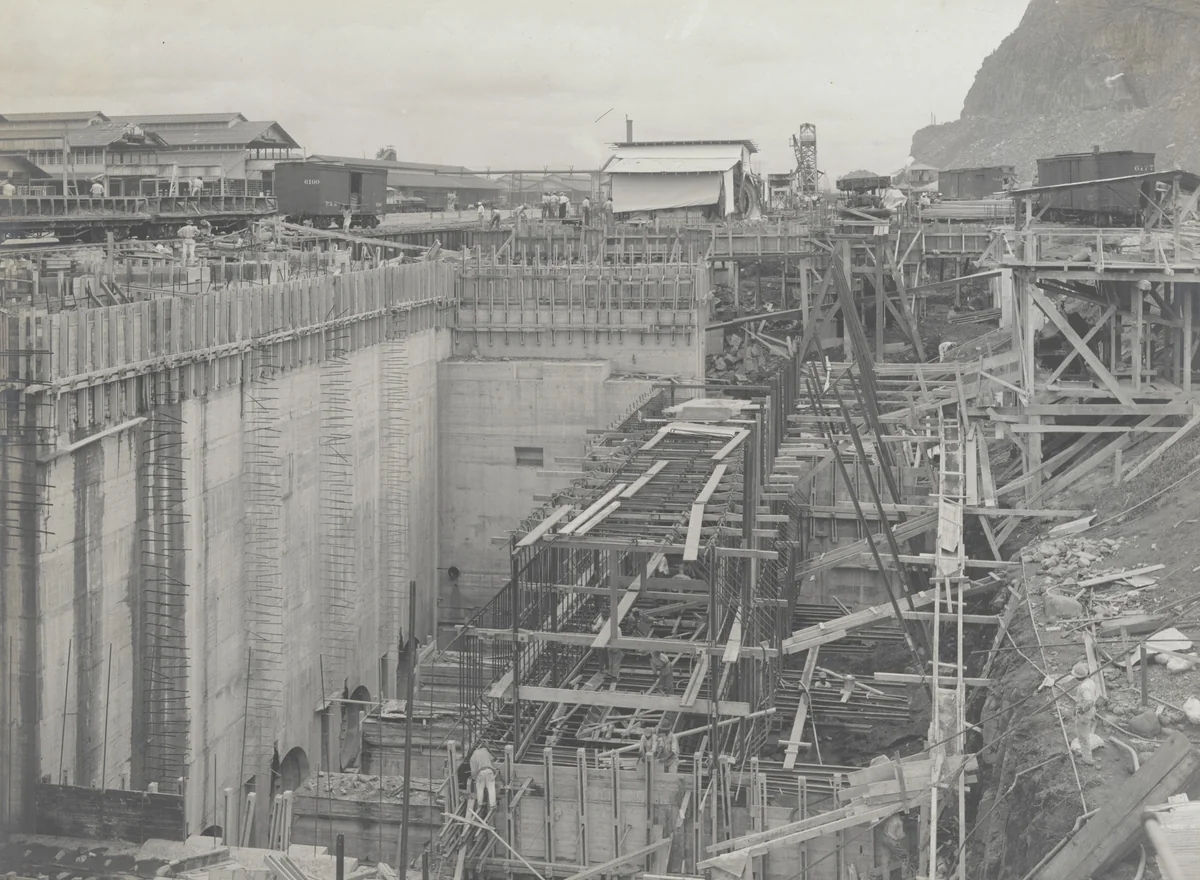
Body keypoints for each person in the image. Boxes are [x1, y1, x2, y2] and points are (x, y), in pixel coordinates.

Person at [1074, 677, 1099, 765]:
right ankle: (1086, 755)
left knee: (1082, 737)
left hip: (1085, 714)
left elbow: (1089, 701)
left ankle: (1087, 759)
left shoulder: (1083, 687)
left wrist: (1082, 710)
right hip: (1091, 711)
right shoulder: (1090, 681)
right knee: (1085, 733)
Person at [470, 746, 498, 812]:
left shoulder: (472, 758)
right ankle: (492, 805)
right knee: (491, 788)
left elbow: (473, 772)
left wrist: (475, 777)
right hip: (489, 771)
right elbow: (492, 759)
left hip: (481, 773)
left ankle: (479, 804)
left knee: (480, 788)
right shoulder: (484, 750)